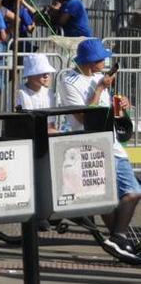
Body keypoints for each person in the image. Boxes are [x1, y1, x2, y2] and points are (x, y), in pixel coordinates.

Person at [57, 38, 140, 259]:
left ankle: (117, 240)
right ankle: (119, 237)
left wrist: (122, 104)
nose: (106, 61)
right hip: (91, 143)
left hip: (111, 141)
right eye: (102, 58)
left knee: (123, 194)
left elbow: (107, 109)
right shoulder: (69, 81)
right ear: (91, 61)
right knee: (126, 193)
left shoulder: (99, 78)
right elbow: (83, 117)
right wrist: (100, 88)